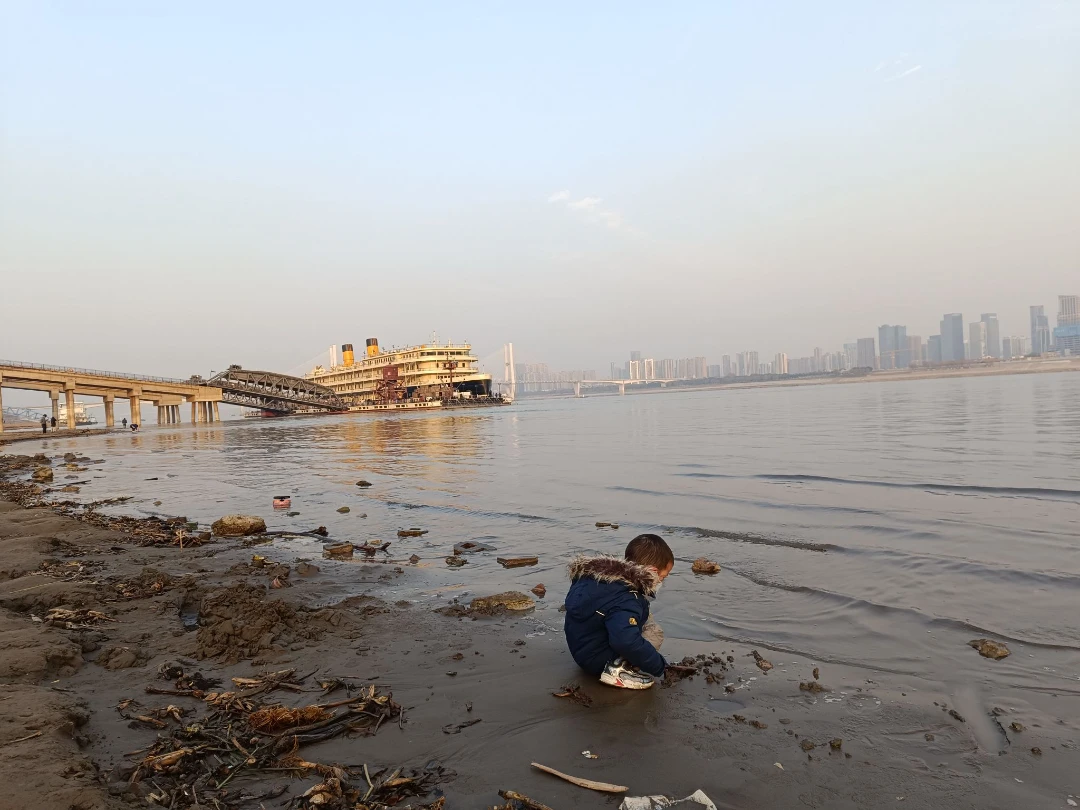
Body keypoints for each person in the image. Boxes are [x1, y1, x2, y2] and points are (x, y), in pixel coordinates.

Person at [564, 533, 673, 690]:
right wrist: (661, 667)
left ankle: (614, 662)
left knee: (639, 618)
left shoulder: (594, 578)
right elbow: (625, 641)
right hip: (596, 662)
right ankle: (617, 670)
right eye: (663, 577)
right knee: (654, 632)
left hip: (581, 649)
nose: (661, 581)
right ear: (652, 571)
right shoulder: (628, 598)